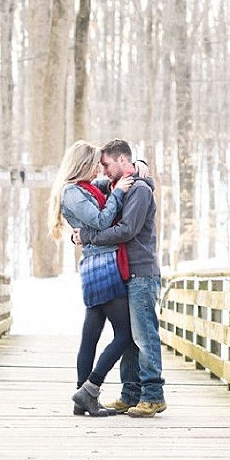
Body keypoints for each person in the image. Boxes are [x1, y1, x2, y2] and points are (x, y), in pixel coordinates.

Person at [73, 138, 166, 418]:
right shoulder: (115, 185)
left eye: (106, 164)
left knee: (144, 335)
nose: (102, 170)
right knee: (127, 337)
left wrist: (88, 236)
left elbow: (127, 230)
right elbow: (83, 193)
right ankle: (130, 394)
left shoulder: (138, 191)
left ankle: (153, 395)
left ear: (122, 161)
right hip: (122, 272)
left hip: (141, 272)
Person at [48, 140, 134, 417]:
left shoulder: (85, 187)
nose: (99, 168)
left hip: (96, 262)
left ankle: (81, 398)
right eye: (95, 163)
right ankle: (90, 388)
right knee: (127, 334)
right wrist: (119, 193)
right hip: (101, 265)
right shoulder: (72, 192)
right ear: (83, 165)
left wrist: (135, 169)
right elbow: (100, 220)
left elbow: (106, 184)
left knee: (92, 334)